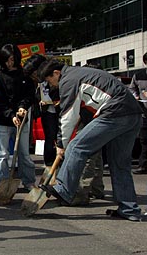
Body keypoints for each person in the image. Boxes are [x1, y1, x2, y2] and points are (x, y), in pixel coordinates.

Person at [36, 59, 143, 221]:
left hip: (114, 112)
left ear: (56, 73)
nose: (51, 85)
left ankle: (64, 189)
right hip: (133, 114)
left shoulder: (68, 80)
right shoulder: (81, 74)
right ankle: (129, 209)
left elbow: (67, 117)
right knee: (120, 164)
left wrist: (61, 144)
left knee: (76, 147)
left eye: (49, 80)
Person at [0, 44, 36, 191]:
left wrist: (23, 107)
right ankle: (1, 183)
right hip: (2, 121)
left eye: (12, 59)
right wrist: (11, 115)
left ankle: (29, 181)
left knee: (24, 154)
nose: (10, 63)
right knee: (2, 154)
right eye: (7, 60)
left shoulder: (24, 76)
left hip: (22, 120)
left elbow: (30, 95)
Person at [129, 52, 147, 175]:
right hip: (144, 112)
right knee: (144, 140)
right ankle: (144, 165)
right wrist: (135, 96)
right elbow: (132, 89)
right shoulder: (139, 75)